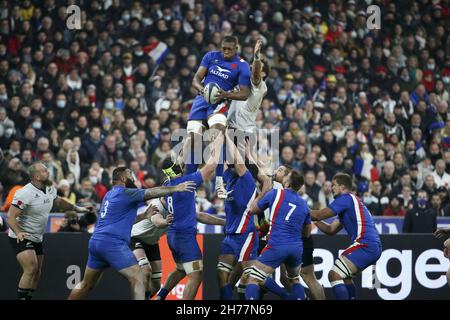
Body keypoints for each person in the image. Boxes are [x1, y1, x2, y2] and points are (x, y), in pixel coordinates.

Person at [67, 167, 196, 300]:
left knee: (86, 284)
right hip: (112, 243)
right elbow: (152, 192)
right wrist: (176, 188)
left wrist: (144, 216)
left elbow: (123, 220)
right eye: (130, 175)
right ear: (123, 178)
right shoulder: (126, 193)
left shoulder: (109, 195)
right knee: (139, 276)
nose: (133, 178)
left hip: (96, 242)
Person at [7, 162, 93, 300]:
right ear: (36, 176)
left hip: (37, 236)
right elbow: (11, 216)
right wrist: (18, 232)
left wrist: (78, 208)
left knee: (37, 272)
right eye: (44, 171)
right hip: (21, 235)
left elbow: (58, 202)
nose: (48, 172)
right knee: (31, 268)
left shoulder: (49, 187)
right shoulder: (24, 193)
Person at [156, 128, 224, 300]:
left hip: (172, 235)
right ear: (177, 169)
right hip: (184, 236)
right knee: (196, 275)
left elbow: (181, 156)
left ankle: (160, 296)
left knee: (180, 269)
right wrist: (218, 141)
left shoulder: (167, 183)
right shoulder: (188, 181)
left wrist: (191, 136)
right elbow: (211, 166)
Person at [186, 35, 251, 199]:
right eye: (224, 48)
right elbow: (196, 79)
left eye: (230, 49)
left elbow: (245, 93)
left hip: (220, 103)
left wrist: (226, 94)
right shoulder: (210, 56)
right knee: (194, 141)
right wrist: (202, 90)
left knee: (217, 136)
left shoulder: (242, 66)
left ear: (236, 48)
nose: (226, 52)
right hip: (202, 100)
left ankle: (219, 182)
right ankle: (189, 185)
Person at [130, 197, 225, 300]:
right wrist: (165, 222)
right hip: (135, 237)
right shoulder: (157, 204)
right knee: (146, 270)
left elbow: (200, 216)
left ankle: (156, 297)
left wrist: (224, 222)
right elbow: (157, 221)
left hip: (152, 242)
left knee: (157, 285)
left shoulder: (177, 206)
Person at [310, 173, 382, 300]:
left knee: (334, 275)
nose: (331, 188)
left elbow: (319, 214)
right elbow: (330, 230)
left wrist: (302, 210)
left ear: (342, 187)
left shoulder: (346, 198)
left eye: (334, 185)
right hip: (372, 245)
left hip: (365, 244)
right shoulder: (351, 203)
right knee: (345, 277)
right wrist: (314, 220)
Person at [216, 132, 271, 300]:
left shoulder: (247, 175)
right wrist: (220, 139)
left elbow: (266, 181)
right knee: (227, 275)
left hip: (251, 230)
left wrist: (225, 134)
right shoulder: (230, 177)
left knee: (252, 275)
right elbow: (224, 163)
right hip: (235, 232)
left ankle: (288, 295)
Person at [245, 170, 311, 300]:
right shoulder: (304, 204)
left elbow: (252, 210)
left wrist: (263, 192)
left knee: (253, 279)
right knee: (294, 280)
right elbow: (307, 232)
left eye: (286, 176)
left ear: (287, 183)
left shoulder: (276, 194)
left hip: (277, 244)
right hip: (296, 247)